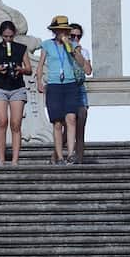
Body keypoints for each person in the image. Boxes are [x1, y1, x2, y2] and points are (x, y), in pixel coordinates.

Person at [35, 14, 84, 165]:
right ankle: (59, 156)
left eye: (65, 30)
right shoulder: (47, 45)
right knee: (57, 122)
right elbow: (41, 64)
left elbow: (82, 63)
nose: (62, 33)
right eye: (59, 30)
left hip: (70, 84)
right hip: (54, 84)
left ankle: (70, 153)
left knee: (71, 118)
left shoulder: (73, 45)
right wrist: (39, 81)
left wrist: (71, 49)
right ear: (54, 31)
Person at [0, 19, 32, 167]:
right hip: (0, 87)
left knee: (16, 123)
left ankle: (15, 160)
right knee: (2, 121)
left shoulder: (21, 49)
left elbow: (29, 69)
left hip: (17, 88)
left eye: (10, 36)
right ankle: (1, 158)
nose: (8, 39)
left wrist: (20, 69)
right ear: (1, 35)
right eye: (5, 36)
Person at [69, 23, 91, 162]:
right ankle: (55, 156)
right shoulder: (63, 51)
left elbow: (88, 70)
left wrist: (78, 53)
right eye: (73, 36)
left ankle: (80, 159)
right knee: (67, 128)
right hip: (67, 88)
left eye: (78, 36)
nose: (76, 38)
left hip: (80, 89)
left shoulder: (84, 52)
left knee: (81, 125)